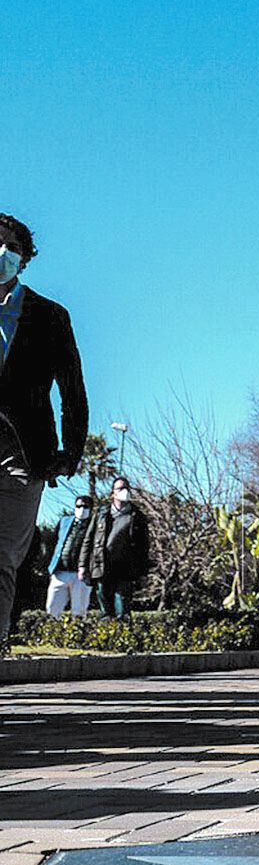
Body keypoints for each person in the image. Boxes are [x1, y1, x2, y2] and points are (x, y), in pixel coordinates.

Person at [0, 213, 88, 640]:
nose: (3, 252)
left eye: (13, 248)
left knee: (2, 556)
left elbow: (72, 388)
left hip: (21, 453)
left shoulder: (49, 316)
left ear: (24, 259)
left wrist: (71, 452)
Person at [80, 477, 150, 618]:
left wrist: (142, 572)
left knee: (122, 610)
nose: (124, 491)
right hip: (102, 566)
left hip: (125, 569)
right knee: (105, 610)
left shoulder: (137, 516)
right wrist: (82, 566)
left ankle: (123, 630)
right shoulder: (101, 513)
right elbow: (88, 540)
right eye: (120, 488)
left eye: (127, 488)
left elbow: (144, 547)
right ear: (113, 492)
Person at [45, 495, 95, 616]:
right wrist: (50, 567)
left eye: (85, 506)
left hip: (81, 575)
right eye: (78, 506)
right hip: (60, 572)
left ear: (91, 508)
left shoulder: (95, 524)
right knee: (52, 609)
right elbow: (52, 542)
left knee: (79, 611)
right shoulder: (65, 521)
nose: (81, 509)